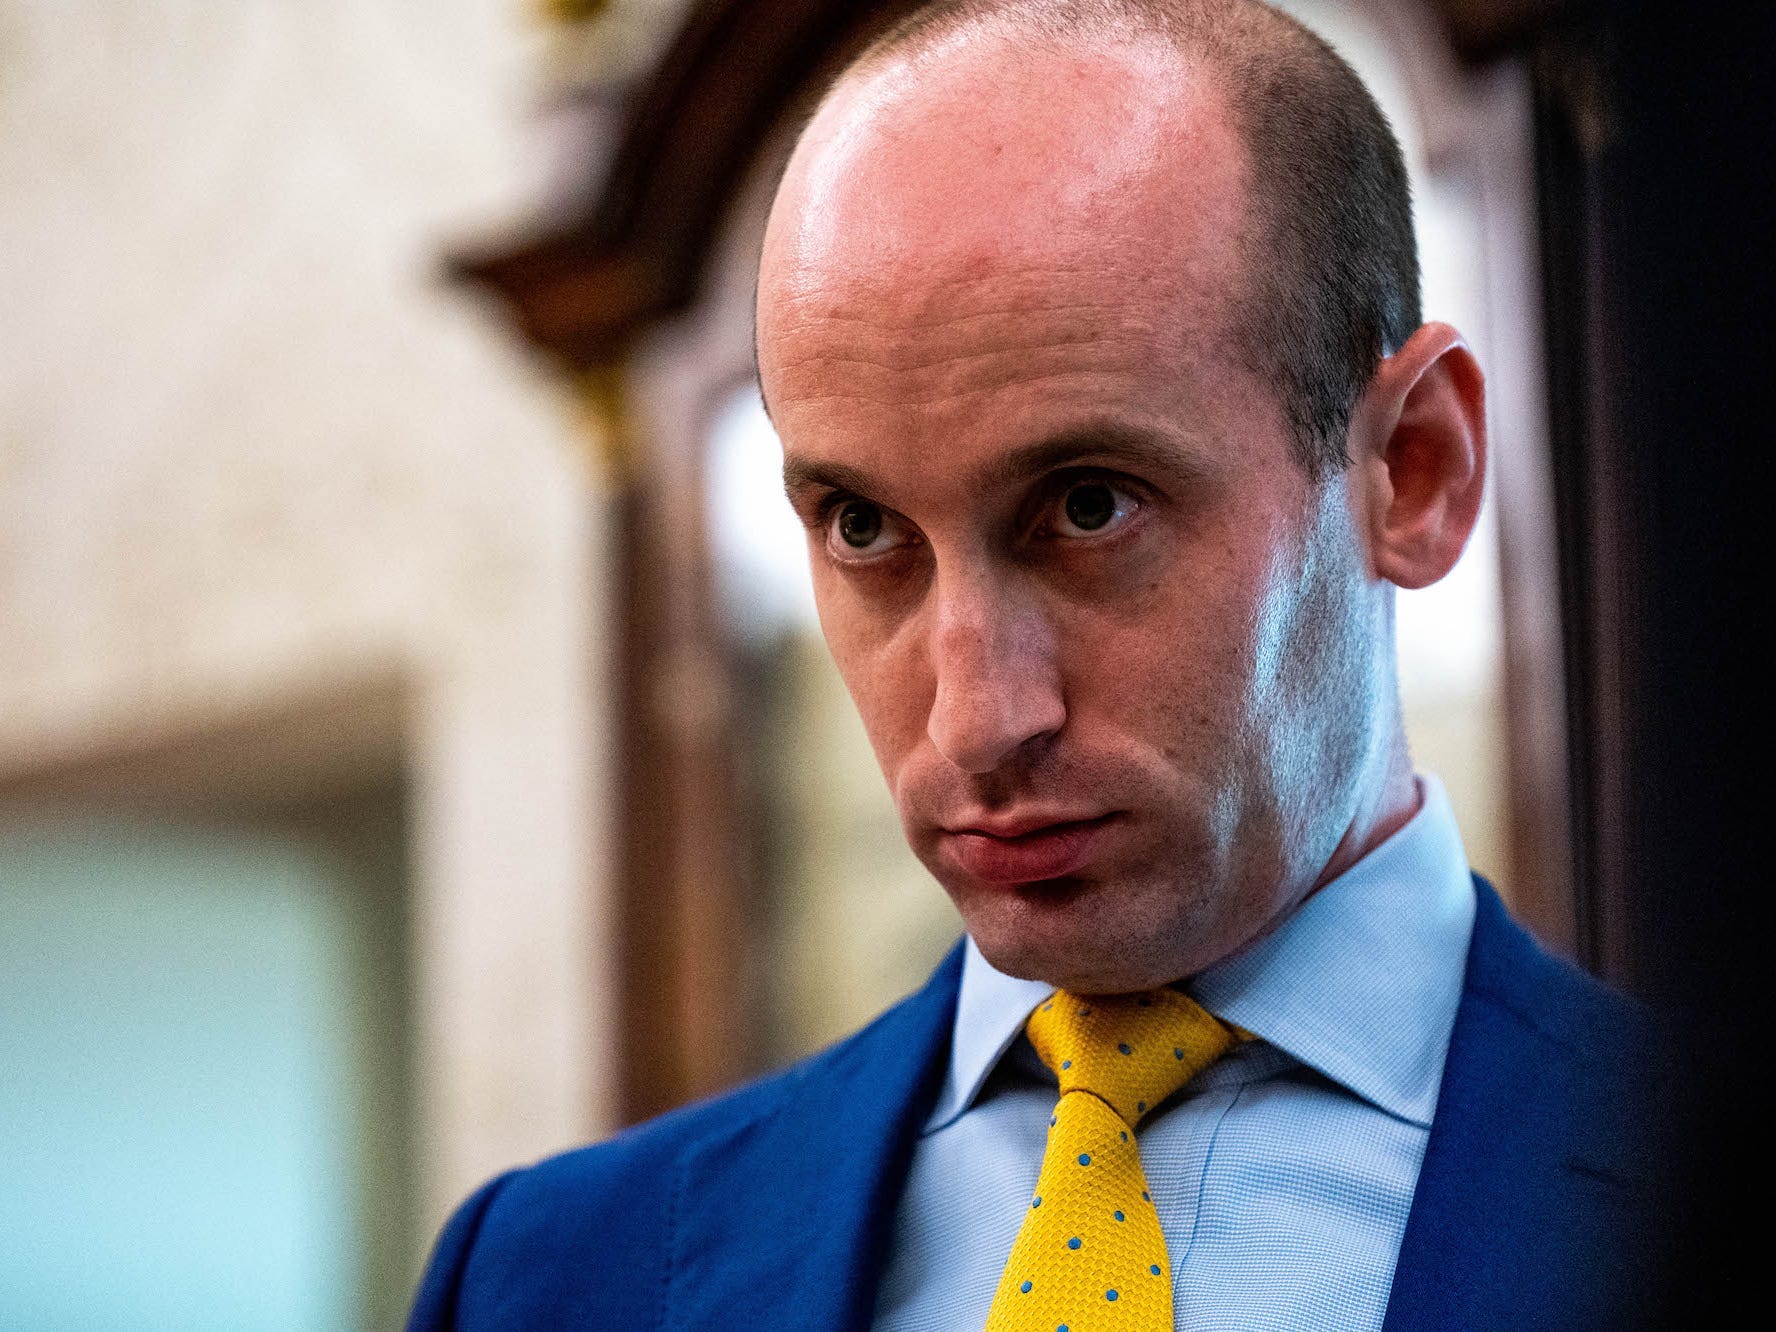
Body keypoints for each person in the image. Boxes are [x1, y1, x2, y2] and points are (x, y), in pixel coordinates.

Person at [409, 2, 1665, 1327]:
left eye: (1087, 508)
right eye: (862, 527)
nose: (974, 721)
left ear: (1414, 470)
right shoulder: (548, 1276)